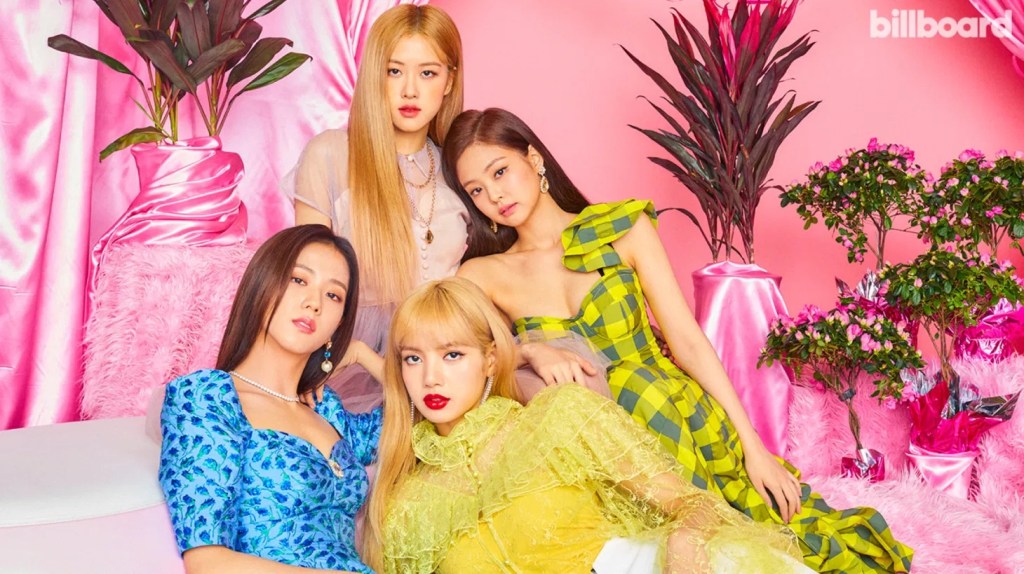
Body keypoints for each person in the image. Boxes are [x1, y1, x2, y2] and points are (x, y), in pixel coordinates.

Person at [440, 108, 914, 573]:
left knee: (768, 538)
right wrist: (528, 350)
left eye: (500, 172)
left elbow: (686, 340)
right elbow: (470, 363)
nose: (494, 196)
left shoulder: (622, 229)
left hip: (674, 415)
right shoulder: (481, 275)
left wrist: (753, 447)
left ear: (534, 159)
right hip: (596, 451)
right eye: (476, 189)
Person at [362, 277, 812, 574]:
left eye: (452, 355)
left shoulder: (557, 418)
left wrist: (685, 539)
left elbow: (693, 503)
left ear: (491, 361)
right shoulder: (404, 507)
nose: (431, 378)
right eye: (413, 358)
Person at [283, 4, 593, 411]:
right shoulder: (331, 154)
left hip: (451, 364)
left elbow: (499, 276)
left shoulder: (460, 171)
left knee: (565, 398)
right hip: (350, 363)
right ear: (374, 75)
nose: (410, 90)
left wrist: (527, 349)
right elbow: (304, 280)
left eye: (427, 73)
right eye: (394, 71)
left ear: (449, 80)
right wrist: (356, 355)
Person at [158, 225, 380, 573]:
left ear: (339, 324)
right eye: (298, 280)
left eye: (333, 295)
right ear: (262, 284)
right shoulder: (209, 398)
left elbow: (424, 413)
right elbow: (206, 562)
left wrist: (363, 354)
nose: (314, 303)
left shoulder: (329, 412)